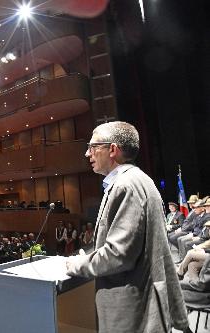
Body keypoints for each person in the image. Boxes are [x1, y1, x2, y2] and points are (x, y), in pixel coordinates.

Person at [65, 121, 188, 332]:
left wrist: (74, 264)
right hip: (138, 303)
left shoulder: (126, 186)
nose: (88, 153)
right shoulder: (137, 180)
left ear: (112, 149)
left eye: (93, 147)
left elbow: (118, 255)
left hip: (131, 310)